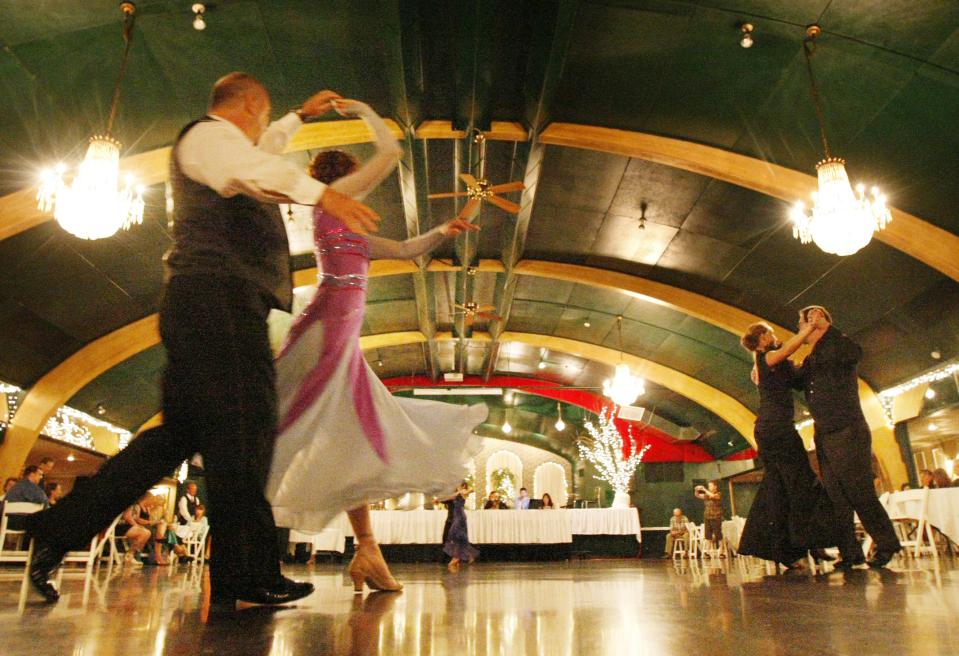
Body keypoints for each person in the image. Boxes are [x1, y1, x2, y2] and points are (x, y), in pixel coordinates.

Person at [23, 72, 380, 605]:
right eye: (266, 116)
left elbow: (260, 153)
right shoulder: (208, 139)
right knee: (249, 427)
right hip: (219, 301)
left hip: (206, 304)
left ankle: (58, 531)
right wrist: (323, 194)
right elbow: (253, 165)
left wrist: (299, 118)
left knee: (175, 438)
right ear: (250, 107)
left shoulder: (228, 147)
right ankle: (247, 570)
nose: (266, 128)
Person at [264, 98, 485, 594]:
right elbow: (390, 151)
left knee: (349, 438)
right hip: (329, 327)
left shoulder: (351, 233)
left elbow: (407, 250)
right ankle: (248, 537)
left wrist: (443, 230)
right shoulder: (335, 196)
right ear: (346, 176)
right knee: (290, 420)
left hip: (340, 334)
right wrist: (364, 110)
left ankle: (368, 550)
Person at [796, 305, 901, 569]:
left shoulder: (838, 345)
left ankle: (886, 544)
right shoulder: (812, 358)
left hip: (848, 429)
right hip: (825, 433)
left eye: (803, 323)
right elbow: (796, 380)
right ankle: (850, 552)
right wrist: (764, 364)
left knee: (859, 490)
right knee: (836, 496)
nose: (801, 329)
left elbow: (855, 353)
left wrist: (826, 327)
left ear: (817, 321)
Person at [737, 322, 838, 568]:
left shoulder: (768, 364)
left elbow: (796, 375)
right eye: (769, 333)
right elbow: (789, 349)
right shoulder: (767, 357)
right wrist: (809, 329)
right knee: (799, 485)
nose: (774, 336)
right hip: (775, 430)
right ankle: (807, 545)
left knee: (785, 488)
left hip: (775, 429)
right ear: (761, 339)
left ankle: (795, 549)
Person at [442, 482, 479, 572]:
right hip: (457, 516)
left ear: (462, 486)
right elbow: (448, 498)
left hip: (460, 517)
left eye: (458, 484)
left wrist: (463, 491)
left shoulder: (463, 492)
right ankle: (468, 555)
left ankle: (456, 557)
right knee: (458, 536)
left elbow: (472, 490)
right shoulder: (456, 494)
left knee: (454, 536)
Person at [694, 481, 724, 555]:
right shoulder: (707, 495)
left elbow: (713, 496)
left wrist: (704, 489)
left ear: (715, 486)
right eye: (709, 486)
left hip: (716, 517)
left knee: (718, 535)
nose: (709, 487)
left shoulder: (719, 494)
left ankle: (721, 552)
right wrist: (696, 490)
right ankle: (707, 552)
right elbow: (697, 495)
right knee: (708, 535)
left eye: (710, 486)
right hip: (707, 517)